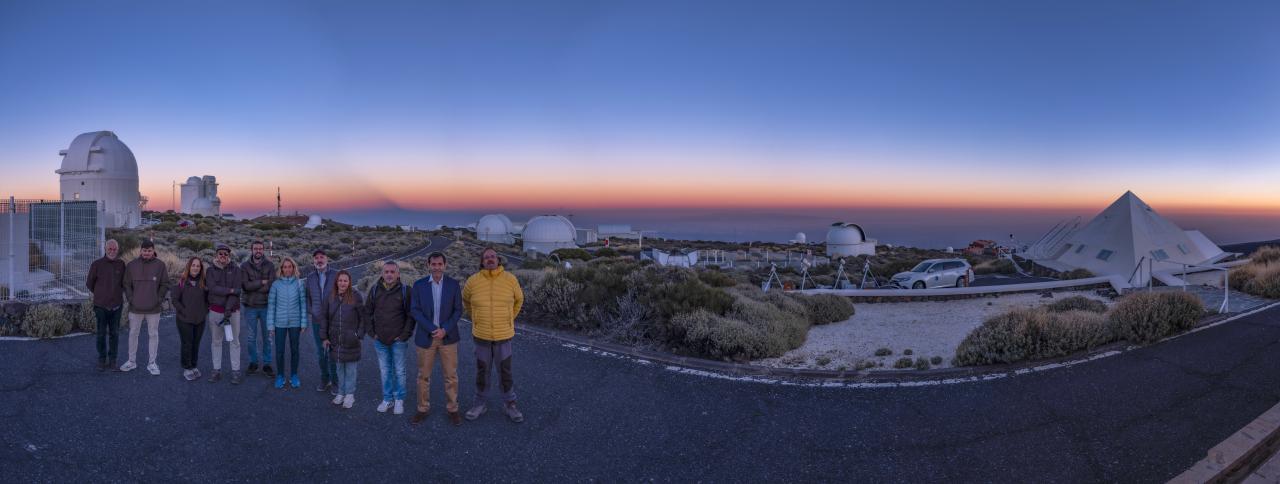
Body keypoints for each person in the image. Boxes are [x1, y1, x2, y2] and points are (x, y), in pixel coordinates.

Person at [462, 248, 525, 423]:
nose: (490, 259)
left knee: (505, 371)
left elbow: (519, 299)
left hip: (503, 334)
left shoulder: (510, 279)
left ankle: (510, 404)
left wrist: (509, 317)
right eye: (486, 257)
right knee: (483, 371)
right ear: (482, 261)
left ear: (498, 260)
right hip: (481, 335)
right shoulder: (473, 281)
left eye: (493, 256)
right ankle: (479, 404)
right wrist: (475, 317)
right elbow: (466, 300)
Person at [409, 251, 464, 426]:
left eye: (440, 264)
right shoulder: (419, 285)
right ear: (428, 265)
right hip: (427, 336)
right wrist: (434, 329)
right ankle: (422, 408)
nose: (437, 267)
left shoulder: (454, 285)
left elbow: (458, 310)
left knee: (451, 376)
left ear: (445, 265)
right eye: (434, 264)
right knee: (423, 376)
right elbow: (415, 310)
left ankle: (452, 409)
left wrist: (445, 329)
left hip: (448, 337)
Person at [367, 261, 414, 415]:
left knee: (399, 371)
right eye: (386, 271)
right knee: (385, 371)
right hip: (380, 339)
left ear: (398, 274)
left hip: (398, 340)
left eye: (392, 272)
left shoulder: (406, 291)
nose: (389, 274)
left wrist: (404, 335)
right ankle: (387, 399)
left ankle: (399, 399)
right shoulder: (374, 290)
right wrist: (372, 332)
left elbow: (411, 316)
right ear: (382, 274)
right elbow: (367, 313)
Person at [319, 270, 367, 409]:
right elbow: (324, 318)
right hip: (335, 339)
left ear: (349, 282)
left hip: (351, 339)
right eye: (340, 280)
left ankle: (350, 395)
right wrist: (324, 337)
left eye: (345, 280)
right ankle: (341, 392)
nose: (342, 283)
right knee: (339, 368)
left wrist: (358, 335)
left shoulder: (356, 296)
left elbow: (363, 318)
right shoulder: (330, 296)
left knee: (351, 369)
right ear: (336, 282)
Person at [121, 240, 169, 375]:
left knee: (153, 334)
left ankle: (152, 363)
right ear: (140, 251)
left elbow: (165, 284)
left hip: (153, 309)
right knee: (133, 334)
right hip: (135, 308)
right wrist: (131, 299)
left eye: (149, 250)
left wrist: (158, 299)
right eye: (144, 250)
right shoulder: (132, 265)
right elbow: (126, 284)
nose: (147, 253)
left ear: (153, 251)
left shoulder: (160, 265)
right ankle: (131, 361)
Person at [267, 257, 309, 389]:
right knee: (279, 351)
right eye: (285, 267)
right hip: (279, 323)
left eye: (290, 266)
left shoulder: (299, 284)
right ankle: (280, 376)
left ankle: (294, 375)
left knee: (295, 350)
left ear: (294, 268)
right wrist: (271, 325)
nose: (287, 269)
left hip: (295, 323)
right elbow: (271, 305)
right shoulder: (275, 285)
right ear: (281, 269)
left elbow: (303, 304)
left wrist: (303, 323)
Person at [206, 244, 244, 384]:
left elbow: (237, 291)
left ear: (229, 256)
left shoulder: (236, 270)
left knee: (234, 342)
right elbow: (212, 288)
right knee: (216, 342)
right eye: (220, 253)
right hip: (215, 311)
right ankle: (216, 370)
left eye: (226, 254)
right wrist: (230, 290)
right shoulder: (210, 271)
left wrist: (228, 308)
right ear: (216, 255)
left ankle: (235, 371)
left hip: (232, 312)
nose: (223, 256)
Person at [86, 239, 126, 372]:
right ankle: (102, 359)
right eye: (110, 249)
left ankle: (113, 360)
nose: (112, 251)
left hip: (116, 306)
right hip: (101, 306)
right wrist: (100, 294)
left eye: (115, 249)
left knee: (114, 334)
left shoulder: (121, 265)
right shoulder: (97, 264)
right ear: (105, 249)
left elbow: (124, 284)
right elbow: (89, 284)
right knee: (101, 334)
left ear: (117, 250)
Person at [240, 240, 276, 378]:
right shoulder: (244, 266)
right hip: (250, 307)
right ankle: (253, 362)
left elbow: (272, 284)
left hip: (266, 306)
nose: (258, 251)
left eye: (260, 248)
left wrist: (254, 286)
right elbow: (245, 286)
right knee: (251, 337)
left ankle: (267, 364)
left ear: (263, 250)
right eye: (256, 248)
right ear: (251, 250)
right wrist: (262, 282)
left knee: (267, 338)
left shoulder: (270, 265)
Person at [304, 250, 338, 394]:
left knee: (333, 351)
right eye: (316, 258)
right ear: (313, 261)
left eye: (321, 257)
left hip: (334, 320)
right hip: (317, 320)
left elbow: (343, 293)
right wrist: (311, 310)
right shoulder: (310, 277)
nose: (319, 260)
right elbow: (307, 297)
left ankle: (336, 381)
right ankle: (325, 378)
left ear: (327, 259)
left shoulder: (336, 275)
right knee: (320, 352)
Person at [171, 257, 209, 382]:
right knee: (187, 344)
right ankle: (187, 367)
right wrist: (183, 310)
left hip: (200, 320)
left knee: (196, 344)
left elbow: (208, 299)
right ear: (189, 267)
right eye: (193, 265)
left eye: (198, 266)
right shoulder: (182, 281)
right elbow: (175, 299)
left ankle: (194, 365)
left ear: (201, 268)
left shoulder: (204, 282)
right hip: (184, 319)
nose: (195, 268)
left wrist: (205, 311)